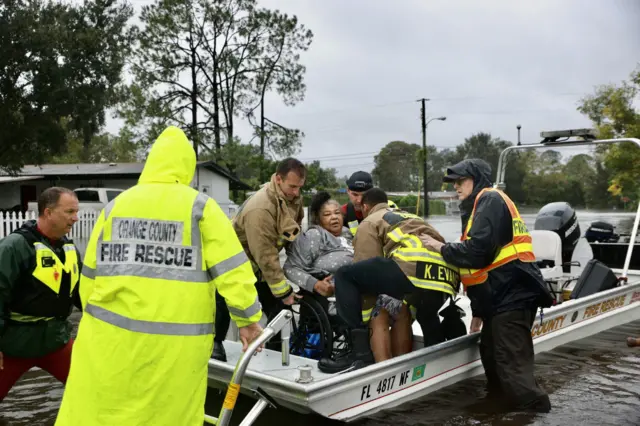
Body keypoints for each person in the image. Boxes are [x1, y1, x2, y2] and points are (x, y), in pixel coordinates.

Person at [54, 126, 264, 426]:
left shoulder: (115, 207)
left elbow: (88, 278)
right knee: (169, 412)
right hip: (175, 347)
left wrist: (94, 316)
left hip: (108, 339)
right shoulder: (200, 208)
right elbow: (233, 271)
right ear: (187, 168)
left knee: (103, 411)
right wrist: (248, 319)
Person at [418, 158, 553, 413]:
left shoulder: (490, 199)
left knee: (512, 371)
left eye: (461, 181)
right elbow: (480, 270)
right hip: (498, 301)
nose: (456, 187)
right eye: (453, 183)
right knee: (492, 361)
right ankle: (503, 414)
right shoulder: (476, 208)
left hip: (513, 297)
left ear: (477, 179)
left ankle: (538, 413)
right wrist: (479, 311)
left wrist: (440, 247)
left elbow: (477, 253)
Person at [318, 188, 461, 373]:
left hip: (412, 268)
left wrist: (365, 315)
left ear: (366, 206)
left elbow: (364, 271)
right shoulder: (407, 215)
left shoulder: (370, 220)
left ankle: (358, 355)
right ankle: (436, 363)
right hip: (446, 276)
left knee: (346, 275)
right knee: (423, 313)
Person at [283, 191, 412, 362]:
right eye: (327, 214)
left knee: (401, 308)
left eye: (337, 213)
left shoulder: (349, 234)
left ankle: (400, 362)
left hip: (362, 290)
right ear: (318, 218)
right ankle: (381, 364)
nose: (334, 217)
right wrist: (316, 284)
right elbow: (291, 267)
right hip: (333, 298)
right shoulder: (315, 235)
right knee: (378, 311)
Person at [213, 158, 306, 361]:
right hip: (234, 259)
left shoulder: (292, 197)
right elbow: (264, 254)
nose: (296, 192)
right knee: (226, 299)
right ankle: (215, 343)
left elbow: (292, 232)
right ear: (278, 179)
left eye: (300, 187)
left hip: (258, 261)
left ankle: (273, 352)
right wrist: (282, 290)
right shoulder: (261, 208)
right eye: (292, 187)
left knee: (277, 307)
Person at [0, 187, 82, 402]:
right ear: (48, 212)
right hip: (13, 345)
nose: (76, 218)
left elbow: (83, 295)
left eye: (76, 212)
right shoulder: (14, 247)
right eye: (70, 212)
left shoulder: (69, 249)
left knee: (92, 388)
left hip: (56, 342)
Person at [341, 171, 397, 236]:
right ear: (348, 191)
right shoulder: (342, 212)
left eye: (364, 195)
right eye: (355, 195)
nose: (359, 200)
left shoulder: (390, 207)